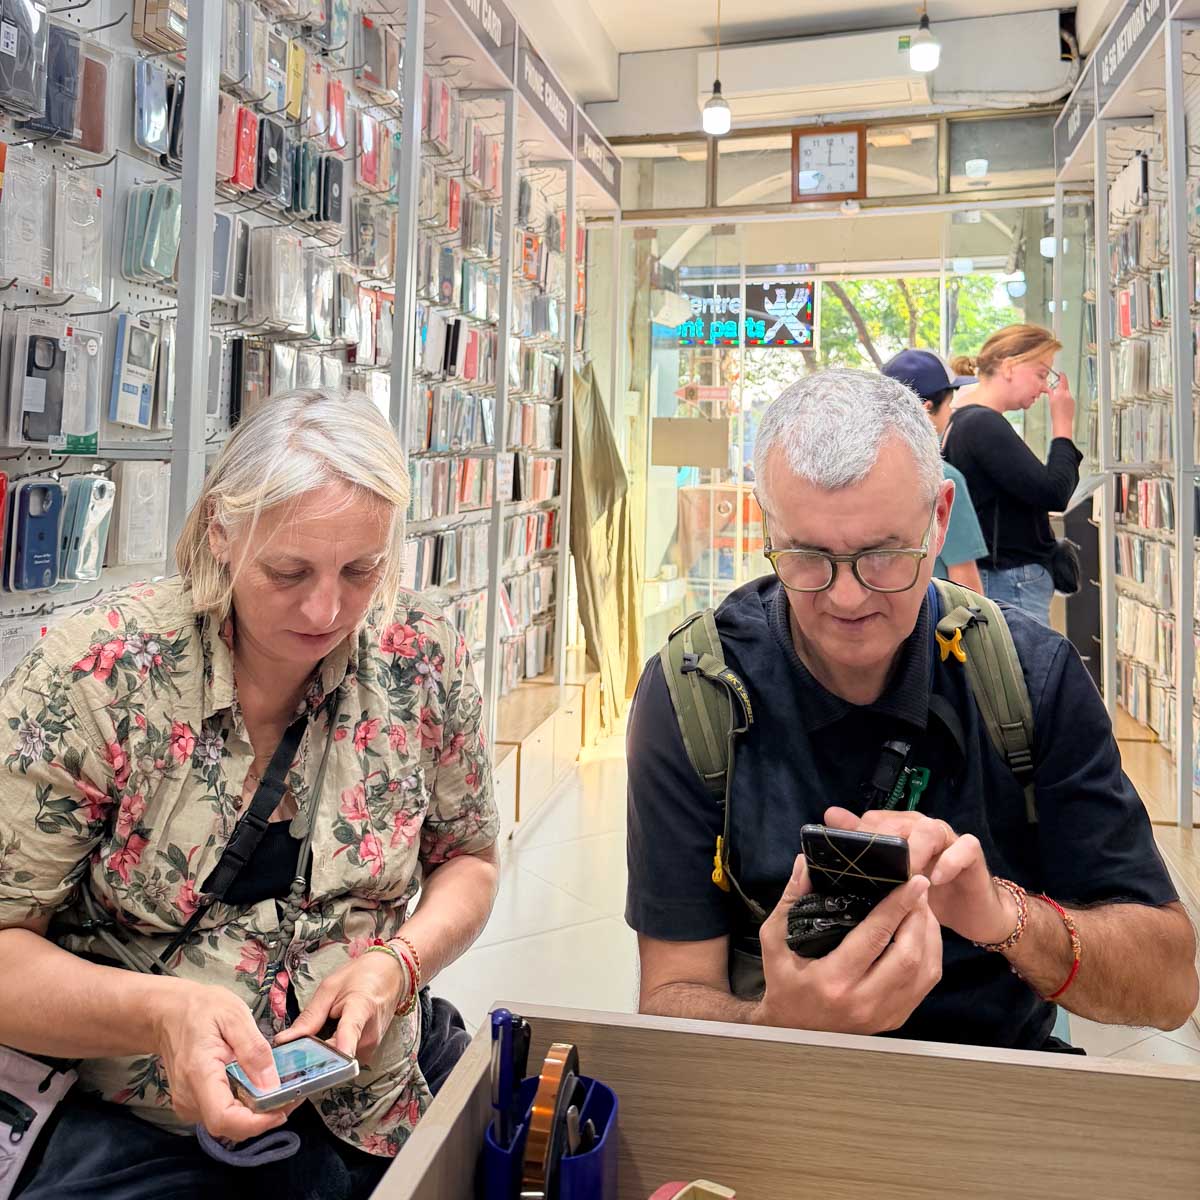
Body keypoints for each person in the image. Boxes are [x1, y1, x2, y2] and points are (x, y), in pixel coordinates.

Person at [0, 391, 500, 1198]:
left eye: (362, 571)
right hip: (138, 1123)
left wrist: (396, 964)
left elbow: (468, 857)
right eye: (288, 571)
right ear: (219, 534)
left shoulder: (421, 657)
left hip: (373, 1098)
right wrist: (159, 1015)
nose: (326, 609)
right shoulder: (98, 677)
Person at [625, 369, 1196, 1054]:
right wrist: (773, 1024)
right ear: (767, 525)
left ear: (941, 517)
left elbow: (1169, 987)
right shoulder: (693, 692)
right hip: (780, 1088)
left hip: (992, 1087)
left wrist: (1000, 914)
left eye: (883, 554)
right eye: (807, 556)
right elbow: (668, 995)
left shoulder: (1033, 678)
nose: (845, 596)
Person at [941, 324, 1081, 626]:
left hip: (1001, 575)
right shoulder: (983, 424)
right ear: (1009, 366)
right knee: (1026, 671)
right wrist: (1063, 426)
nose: (1045, 388)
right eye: (1041, 374)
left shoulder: (965, 420)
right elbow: (1054, 492)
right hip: (1009, 580)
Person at [881, 349, 986, 593]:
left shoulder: (859, 474)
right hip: (932, 620)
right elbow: (964, 581)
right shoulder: (942, 477)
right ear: (926, 409)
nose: (952, 412)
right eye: (950, 404)